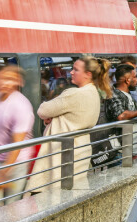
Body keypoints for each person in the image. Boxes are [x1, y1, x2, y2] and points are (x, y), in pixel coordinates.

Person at [27, 56, 110, 192]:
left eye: (75, 69)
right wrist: (53, 116)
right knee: (72, 190)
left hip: (62, 153)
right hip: (80, 149)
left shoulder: (74, 93)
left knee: (51, 193)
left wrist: (50, 117)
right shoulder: (94, 93)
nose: (71, 72)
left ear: (87, 74)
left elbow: (43, 110)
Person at [0, 66, 35, 208]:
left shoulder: (21, 106)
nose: (6, 83)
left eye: (10, 79)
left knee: (13, 206)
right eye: (3, 78)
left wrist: (3, 173)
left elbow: (17, 145)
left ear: (18, 82)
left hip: (17, 162)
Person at [106, 65, 137, 156]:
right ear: (127, 80)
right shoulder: (113, 95)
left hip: (132, 148)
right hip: (120, 151)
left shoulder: (129, 95)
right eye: (134, 77)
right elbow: (121, 116)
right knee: (123, 170)